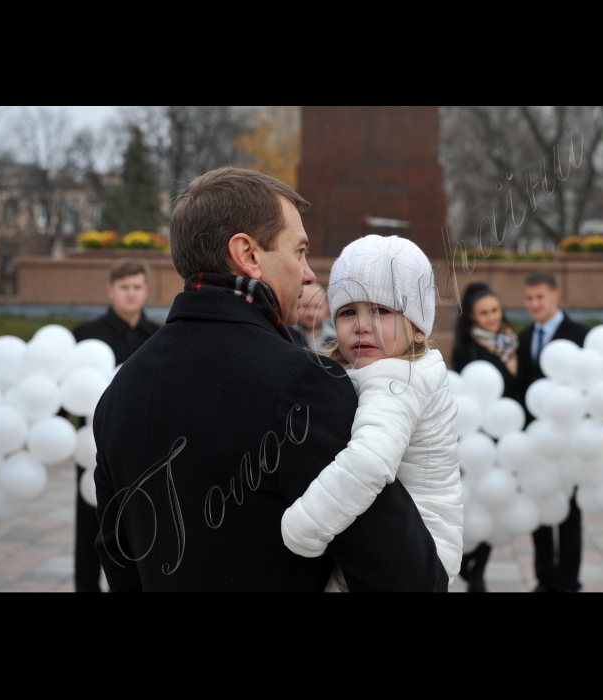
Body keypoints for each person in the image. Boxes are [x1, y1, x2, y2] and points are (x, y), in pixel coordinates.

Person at [93, 167, 448, 592]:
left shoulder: (120, 392)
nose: (309, 273)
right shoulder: (302, 385)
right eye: (298, 251)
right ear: (248, 254)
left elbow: (121, 564)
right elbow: (408, 578)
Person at [281, 235, 463, 592]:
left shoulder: (396, 377)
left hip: (417, 545)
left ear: (415, 324)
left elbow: (369, 461)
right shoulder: (406, 366)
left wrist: (301, 528)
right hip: (418, 536)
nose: (362, 325)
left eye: (381, 310)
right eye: (348, 312)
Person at [72, 261, 160, 592]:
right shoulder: (85, 335)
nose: (131, 293)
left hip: (140, 452)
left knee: (136, 530)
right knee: (88, 532)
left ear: (146, 291)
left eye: (137, 287)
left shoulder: (157, 336)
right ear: (111, 290)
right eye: (124, 287)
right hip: (90, 449)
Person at [516, 271, 589, 593]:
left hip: (571, 441)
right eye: (529, 298)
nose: (534, 304)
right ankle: (544, 578)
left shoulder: (581, 335)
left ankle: (569, 581)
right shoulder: (522, 338)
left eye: (540, 297)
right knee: (540, 508)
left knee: (570, 514)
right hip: (536, 442)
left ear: (556, 295)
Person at [452, 282, 520, 592]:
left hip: (513, 434)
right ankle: (468, 564)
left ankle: (479, 572)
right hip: (481, 438)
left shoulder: (512, 342)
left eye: (495, 310)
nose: (492, 317)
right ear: (473, 319)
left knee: (500, 501)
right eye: (484, 313)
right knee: (479, 500)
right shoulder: (468, 349)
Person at [288, 282, 337, 352]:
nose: (311, 313)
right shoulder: (282, 336)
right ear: (295, 305)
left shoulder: (339, 337)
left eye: (317, 307)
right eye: (305, 306)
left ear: (327, 307)